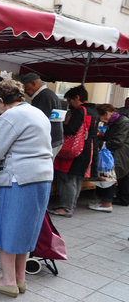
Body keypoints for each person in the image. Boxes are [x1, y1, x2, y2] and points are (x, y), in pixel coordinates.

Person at [0, 79, 53, 298]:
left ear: (1, 100)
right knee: (26, 229)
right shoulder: (38, 113)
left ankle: (7, 280)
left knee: (7, 228)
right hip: (42, 178)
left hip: (18, 178)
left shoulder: (10, 116)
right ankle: (20, 278)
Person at [50, 86, 98, 217]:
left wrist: (58, 124)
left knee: (67, 179)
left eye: (70, 100)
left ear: (77, 97)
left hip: (74, 151)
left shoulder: (79, 111)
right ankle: (71, 206)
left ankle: (65, 208)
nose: (69, 104)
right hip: (87, 149)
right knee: (76, 180)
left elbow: (71, 129)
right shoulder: (94, 111)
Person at [88, 104, 129, 212]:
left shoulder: (123, 121)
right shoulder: (114, 122)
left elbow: (117, 141)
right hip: (113, 153)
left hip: (119, 154)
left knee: (109, 177)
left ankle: (107, 203)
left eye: (100, 117)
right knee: (106, 176)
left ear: (106, 114)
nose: (101, 120)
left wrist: (99, 143)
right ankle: (104, 201)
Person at [19, 73, 63, 156]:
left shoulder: (43, 96)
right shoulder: (49, 94)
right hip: (54, 138)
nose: (26, 92)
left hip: (49, 140)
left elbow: (39, 121)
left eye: (26, 88)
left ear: (33, 83)